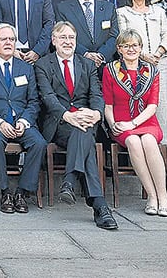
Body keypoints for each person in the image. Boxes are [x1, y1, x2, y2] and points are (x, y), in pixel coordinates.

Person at [33, 21, 117, 230]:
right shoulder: (43, 65)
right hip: (59, 123)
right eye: (63, 38)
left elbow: (96, 95)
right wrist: (67, 116)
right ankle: (99, 206)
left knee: (84, 130)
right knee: (84, 134)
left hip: (87, 119)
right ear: (54, 41)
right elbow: (48, 97)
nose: (67, 42)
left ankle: (70, 182)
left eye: (71, 38)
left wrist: (96, 114)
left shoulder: (87, 64)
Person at [0, 23, 46, 213]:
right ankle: (5, 191)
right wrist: (0, 122)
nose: (8, 43)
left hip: (22, 122)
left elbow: (34, 101)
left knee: (39, 143)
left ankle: (21, 192)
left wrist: (23, 121)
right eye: (3, 39)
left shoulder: (27, 68)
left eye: (12, 39)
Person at [103, 29, 167, 216]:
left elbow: (152, 106)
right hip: (120, 122)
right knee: (133, 141)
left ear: (141, 48)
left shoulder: (152, 71)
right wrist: (114, 124)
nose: (131, 49)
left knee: (148, 140)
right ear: (119, 49)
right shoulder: (110, 70)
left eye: (135, 45)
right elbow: (108, 106)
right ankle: (152, 196)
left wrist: (132, 124)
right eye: (126, 45)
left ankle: (163, 196)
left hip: (146, 121)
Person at [115, 0, 167, 143]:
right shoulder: (123, 12)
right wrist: (143, 56)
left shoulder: (159, 11)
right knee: (138, 109)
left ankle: (164, 161)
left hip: (160, 64)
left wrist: (158, 54)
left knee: (161, 109)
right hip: (134, 65)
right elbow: (123, 38)